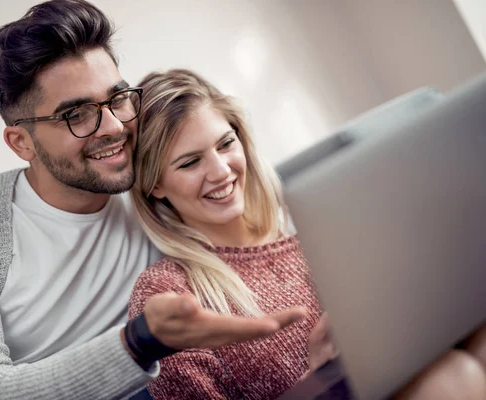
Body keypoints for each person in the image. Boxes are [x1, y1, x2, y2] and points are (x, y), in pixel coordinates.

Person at [0, 1, 308, 399]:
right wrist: (141, 340)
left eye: (117, 98)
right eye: (76, 114)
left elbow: (245, 218)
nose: (112, 127)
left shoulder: (153, 193)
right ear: (21, 143)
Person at [127, 69, 486, 399]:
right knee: (453, 378)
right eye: (190, 162)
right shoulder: (166, 294)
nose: (221, 171)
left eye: (226, 144)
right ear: (155, 185)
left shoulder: (317, 234)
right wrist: (321, 378)